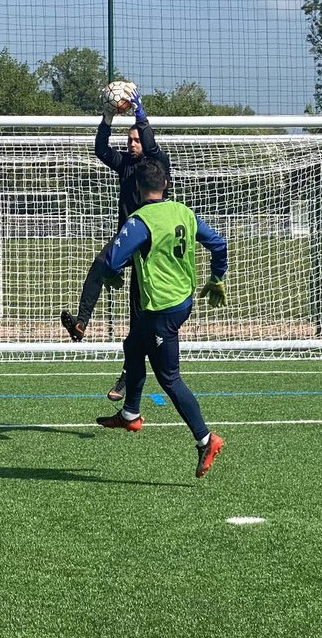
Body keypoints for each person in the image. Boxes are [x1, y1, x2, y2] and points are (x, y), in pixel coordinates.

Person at [91, 157, 229, 478]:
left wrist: (112, 276)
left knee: (169, 377)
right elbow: (218, 244)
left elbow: (111, 261)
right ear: (165, 184)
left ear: (138, 188)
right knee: (132, 346)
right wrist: (217, 277)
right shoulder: (184, 212)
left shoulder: (140, 221)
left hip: (161, 310)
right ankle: (130, 413)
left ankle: (205, 439)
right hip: (182, 300)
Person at [60, 81, 171, 404]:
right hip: (127, 238)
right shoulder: (125, 165)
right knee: (100, 265)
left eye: (136, 139)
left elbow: (150, 145)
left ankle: (127, 375)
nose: (133, 143)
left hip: (151, 245)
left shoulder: (157, 164)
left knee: (139, 318)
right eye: (130, 139)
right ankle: (81, 323)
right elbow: (100, 150)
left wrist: (140, 114)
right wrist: (107, 119)